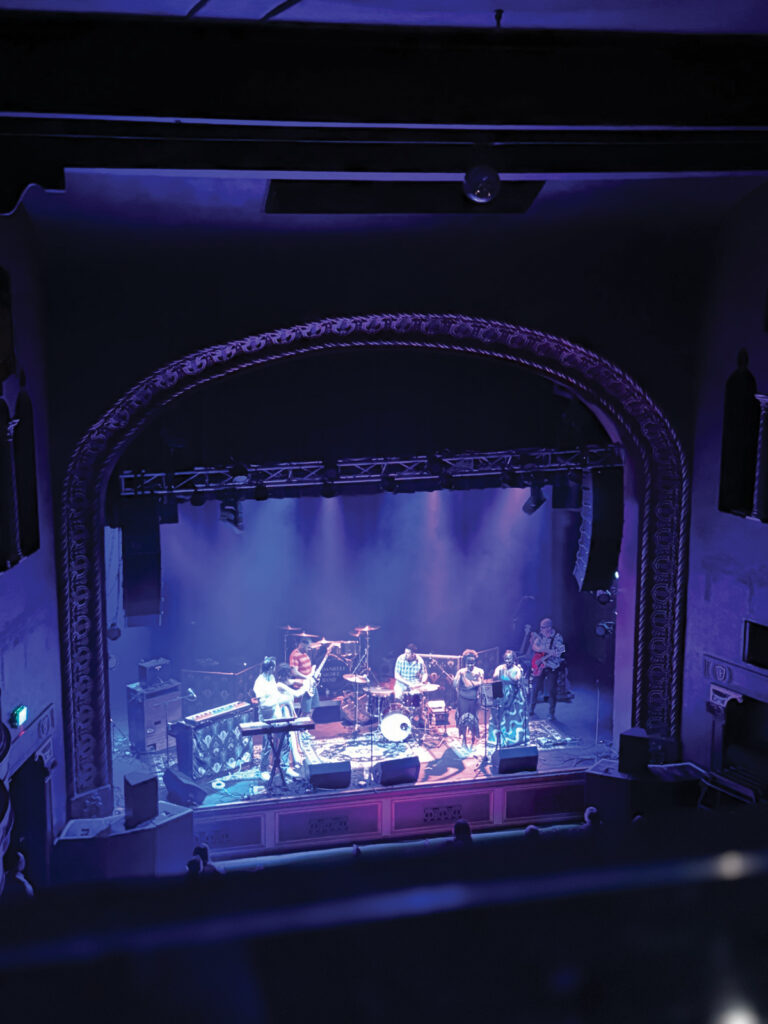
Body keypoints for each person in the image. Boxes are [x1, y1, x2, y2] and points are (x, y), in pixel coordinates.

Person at [252, 656, 304, 782]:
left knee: (285, 740)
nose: (275, 668)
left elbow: (275, 694)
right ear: (270, 667)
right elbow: (262, 703)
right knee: (267, 744)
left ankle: (285, 767)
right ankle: (263, 769)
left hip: (276, 713)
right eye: (274, 666)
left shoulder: (272, 678)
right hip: (266, 716)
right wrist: (278, 700)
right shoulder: (260, 682)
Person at [489, 648, 527, 748]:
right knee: (498, 714)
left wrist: (510, 674)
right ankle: (498, 737)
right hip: (500, 691)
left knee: (509, 717)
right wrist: (499, 673)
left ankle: (510, 739)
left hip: (512, 694)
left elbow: (517, 680)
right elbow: (495, 677)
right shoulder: (500, 667)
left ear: (514, 659)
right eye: (506, 659)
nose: (507, 661)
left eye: (509, 659)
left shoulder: (517, 669)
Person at [529, 617, 566, 719]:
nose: (541, 629)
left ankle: (551, 713)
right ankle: (531, 708)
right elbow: (534, 647)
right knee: (535, 687)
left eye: (543, 627)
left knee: (551, 690)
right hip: (541, 665)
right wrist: (545, 650)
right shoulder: (540, 635)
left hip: (551, 666)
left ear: (549, 627)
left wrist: (553, 653)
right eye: (540, 627)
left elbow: (559, 652)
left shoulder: (557, 637)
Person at [453, 649, 483, 752]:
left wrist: (474, 686)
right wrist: (459, 679)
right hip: (463, 700)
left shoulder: (479, 671)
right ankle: (464, 740)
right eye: (468, 662)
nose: (470, 664)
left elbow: (481, 685)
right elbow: (455, 685)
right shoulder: (461, 672)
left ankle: (474, 739)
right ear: (465, 662)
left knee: (474, 721)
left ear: (475, 661)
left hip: (474, 700)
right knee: (463, 720)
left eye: (472, 662)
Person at [289, 637, 318, 717]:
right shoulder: (295, 655)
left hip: (311, 684)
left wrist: (313, 672)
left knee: (313, 706)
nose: (310, 649)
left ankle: (306, 725)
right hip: (303, 685)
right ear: (302, 644)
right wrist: (307, 678)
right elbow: (294, 672)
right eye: (308, 647)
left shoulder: (305, 654)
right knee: (306, 710)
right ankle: (302, 728)